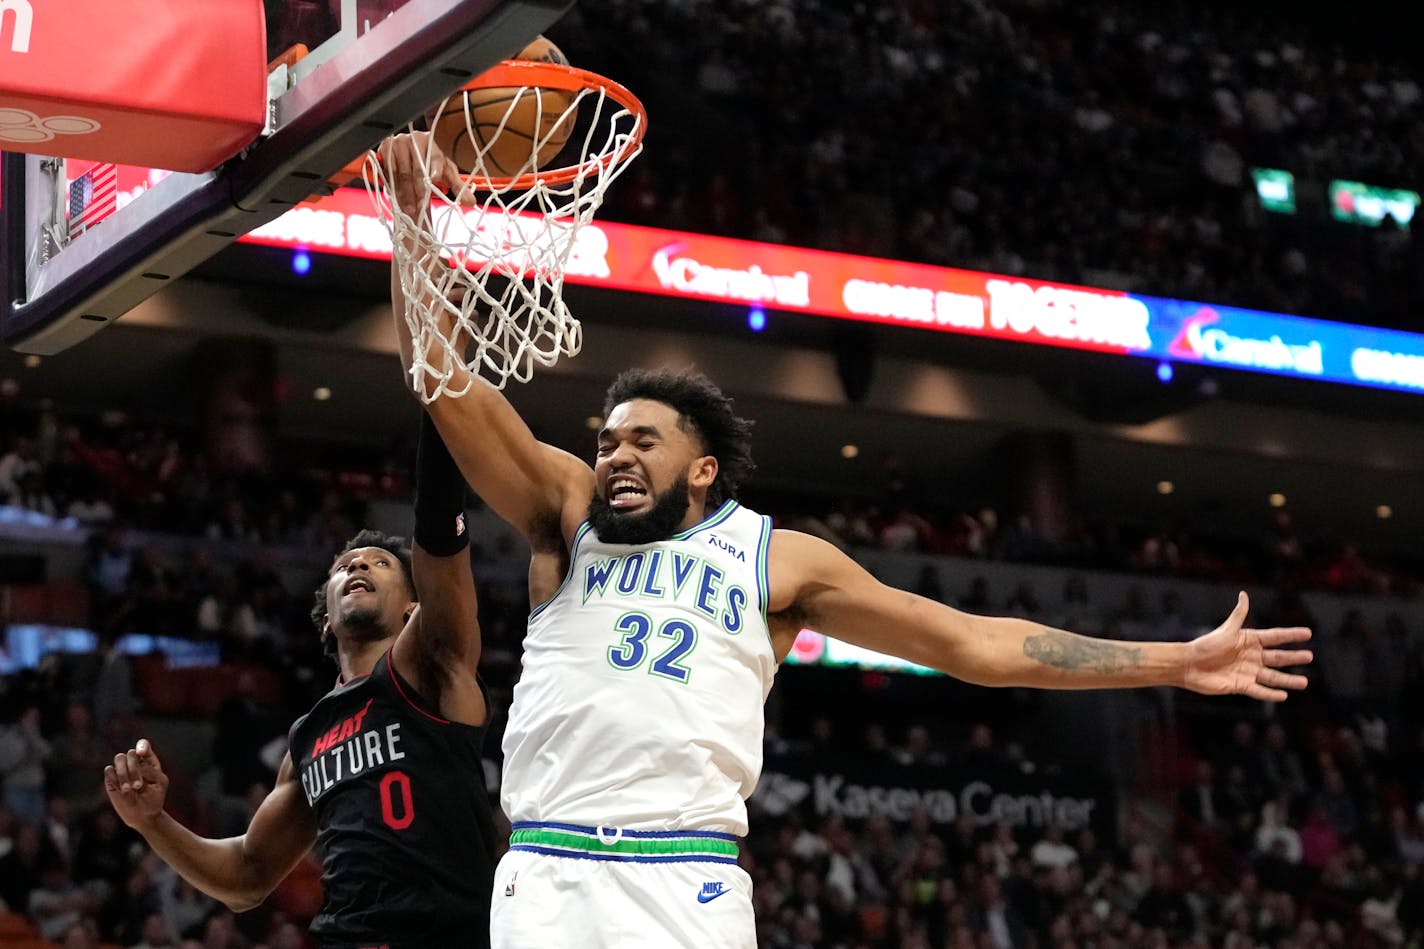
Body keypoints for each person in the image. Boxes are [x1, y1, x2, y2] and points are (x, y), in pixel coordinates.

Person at [380, 133, 1315, 948]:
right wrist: (414, 228)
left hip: (683, 880)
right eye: (607, 440)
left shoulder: (778, 559)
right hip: (543, 869)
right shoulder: (567, 512)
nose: (615, 454)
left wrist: (1172, 660)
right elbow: (448, 389)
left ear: (703, 468)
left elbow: (974, 645)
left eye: (643, 440)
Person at [102, 415, 495, 949]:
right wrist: (152, 823)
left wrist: (440, 396)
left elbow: (439, 540)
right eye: (344, 565)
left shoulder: (432, 664)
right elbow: (247, 876)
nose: (358, 564)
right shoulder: (310, 736)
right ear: (326, 618)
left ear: (413, 608)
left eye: (380, 563)